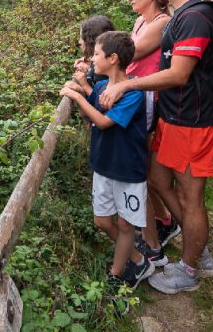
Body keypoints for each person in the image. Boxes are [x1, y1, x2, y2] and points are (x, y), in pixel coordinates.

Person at [99, 0, 213, 295]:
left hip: (194, 121)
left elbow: (180, 74)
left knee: (191, 196)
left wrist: (127, 83)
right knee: (155, 177)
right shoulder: (182, 16)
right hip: (174, 117)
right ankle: (197, 248)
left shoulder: (195, 18)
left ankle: (191, 268)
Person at [60, 31, 154, 292]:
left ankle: (116, 274)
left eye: (97, 54)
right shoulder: (101, 87)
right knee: (102, 221)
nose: (92, 58)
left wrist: (78, 95)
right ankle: (136, 258)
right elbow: (92, 111)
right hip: (103, 165)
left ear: (113, 59)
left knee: (125, 224)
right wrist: (81, 88)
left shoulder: (134, 93)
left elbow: (103, 122)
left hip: (127, 169)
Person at [125, 0, 179, 267]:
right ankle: (164, 220)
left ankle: (152, 243)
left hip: (151, 102)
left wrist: (97, 60)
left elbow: (130, 53)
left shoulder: (161, 23)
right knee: (145, 171)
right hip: (139, 98)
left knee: (141, 170)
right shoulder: (140, 21)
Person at [70, 15, 114, 97]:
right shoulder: (110, 60)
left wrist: (84, 85)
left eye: (82, 37)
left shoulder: (102, 67)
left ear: (90, 40)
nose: (80, 42)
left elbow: (101, 102)